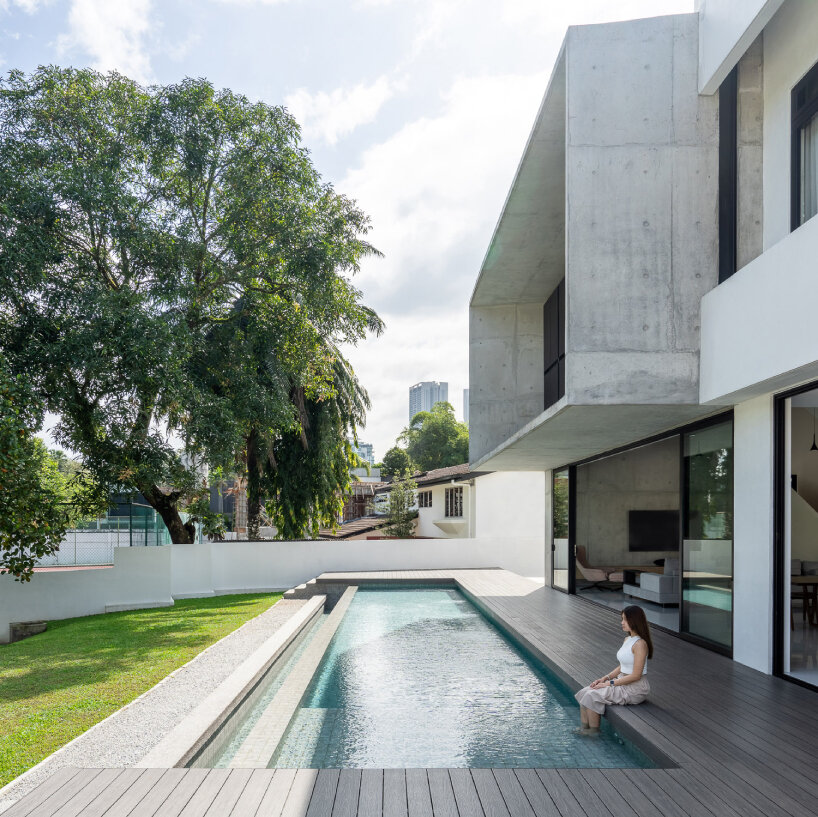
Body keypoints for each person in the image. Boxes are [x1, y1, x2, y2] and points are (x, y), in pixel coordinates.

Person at [574, 604, 653, 734]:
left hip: (635, 688)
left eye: (625, 620)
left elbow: (636, 676)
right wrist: (604, 678)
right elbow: (622, 666)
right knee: (584, 692)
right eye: (622, 619)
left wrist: (609, 684)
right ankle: (585, 728)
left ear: (635, 621)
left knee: (591, 696)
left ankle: (593, 732)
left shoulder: (640, 644)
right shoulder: (627, 639)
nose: (622, 623)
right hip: (621, 681)